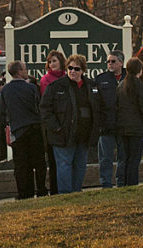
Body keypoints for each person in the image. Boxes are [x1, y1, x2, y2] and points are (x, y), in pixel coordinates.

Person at [39, 54, 102, 193]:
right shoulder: (56, 86)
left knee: (80, 166)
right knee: (64, 166)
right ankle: (65, 196)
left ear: (83, 70)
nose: (72, 71)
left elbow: (98, 109)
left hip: (83, 135)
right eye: (70, 68)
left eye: (76, 69)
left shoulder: (92, 86)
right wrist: (56, 128)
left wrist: (96, 129)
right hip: (63, 135)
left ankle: (76, 194)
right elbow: (45, 110)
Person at [1, 60, 46, 199]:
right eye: (25, 69)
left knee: (21, 164)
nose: (27, 71)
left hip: (17, 130)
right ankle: (41, 189)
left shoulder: (5, 90)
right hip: (33, 128)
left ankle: (24, 192)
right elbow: (37, 107)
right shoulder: (31, 88)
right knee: (38, 162)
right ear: (19, 72)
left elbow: (2, 112)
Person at [116, 57, 143, 186]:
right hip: (137, 129)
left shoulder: (121, 86)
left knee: (125, 158)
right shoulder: (140, 87)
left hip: (122, 128)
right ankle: (132, 184)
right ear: (139, 70)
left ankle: (123, 183)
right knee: (134, 160)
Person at [94, 50, 126, 188]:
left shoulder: (129, 77)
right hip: (106, 126)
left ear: (121, 62)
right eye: (108, 61)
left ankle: (122, 183)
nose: (110, 64)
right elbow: (95, 103)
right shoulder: (101, 79)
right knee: (105, 158)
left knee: (123, 157)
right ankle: (106, 184)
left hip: (124, 125)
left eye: (113, 61)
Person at [39, 50, 66, 195]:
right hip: (52, 125)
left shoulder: (68, 77)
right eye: (50, 61)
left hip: (67, 123)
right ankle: (55, 189)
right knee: (54, 159)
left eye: (54, 61)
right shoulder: (46, 80)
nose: (52, 64)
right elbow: (46, 105)